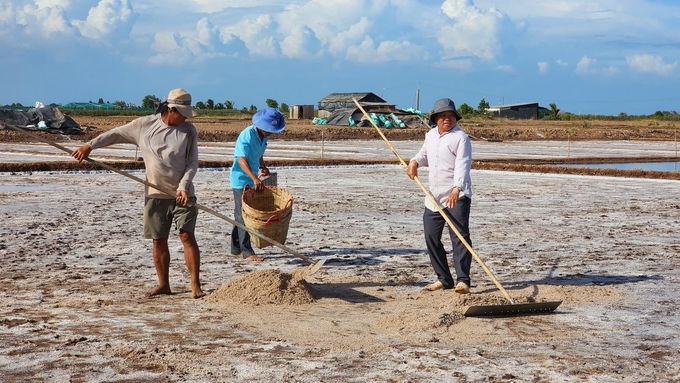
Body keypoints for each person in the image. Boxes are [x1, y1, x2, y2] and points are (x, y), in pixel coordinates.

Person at [71, 88, 205, 299]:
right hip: (155, 193)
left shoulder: (189, 131)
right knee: (158, 239)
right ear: (171, 110)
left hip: (183, 193)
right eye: (182, 113)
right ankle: (164, 285)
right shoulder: (144, 126)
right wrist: (90, 146)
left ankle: (195, 285)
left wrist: (183, 185)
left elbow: (192, 163)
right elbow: (115, 133)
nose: (186, 117)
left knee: (187, 236)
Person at [407, 97, 473, 294]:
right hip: (433, 196)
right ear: (436, 118)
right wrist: (414, 162)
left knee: (460, 238)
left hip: (456, 195)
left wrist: (457, 188)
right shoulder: (430, 135)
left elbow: (463, 164)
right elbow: (424, 155)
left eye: (451, 116)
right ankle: (444, 279)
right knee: (431, 237)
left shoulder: (461, 138)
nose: (447, 119)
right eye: (443, 116)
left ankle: (463, 281)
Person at [229, 107, 286, 262]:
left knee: (241, 214)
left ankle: (235, 248)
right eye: (269, 129)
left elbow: (260, 153)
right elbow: (241, 159)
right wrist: (254, 178)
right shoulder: (247, 134)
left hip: (254, 176)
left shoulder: (263, 136)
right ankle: (247, 251)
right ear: (261, 125)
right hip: (241, 178)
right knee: (245, 215)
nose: (271, 132)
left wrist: (262, 167)